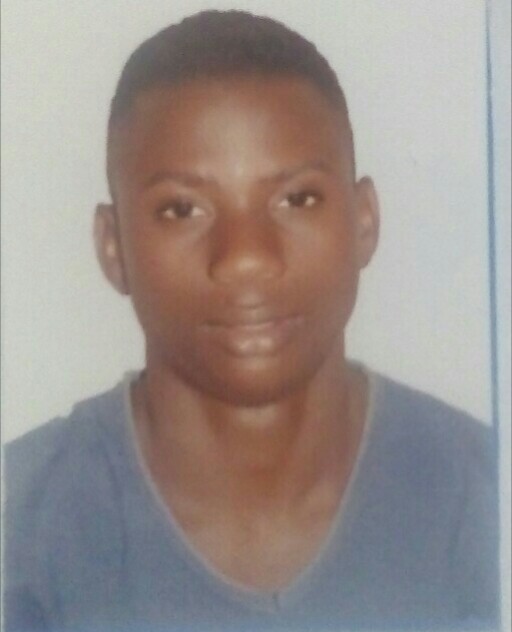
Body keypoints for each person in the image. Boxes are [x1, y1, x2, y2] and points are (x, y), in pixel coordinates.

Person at [4, 10, 499, 632]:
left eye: (297, 198)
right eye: (182, 209)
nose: (245, 258)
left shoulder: (485, 503)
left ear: (364, 222)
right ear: (113, 246)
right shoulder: (23, 529)